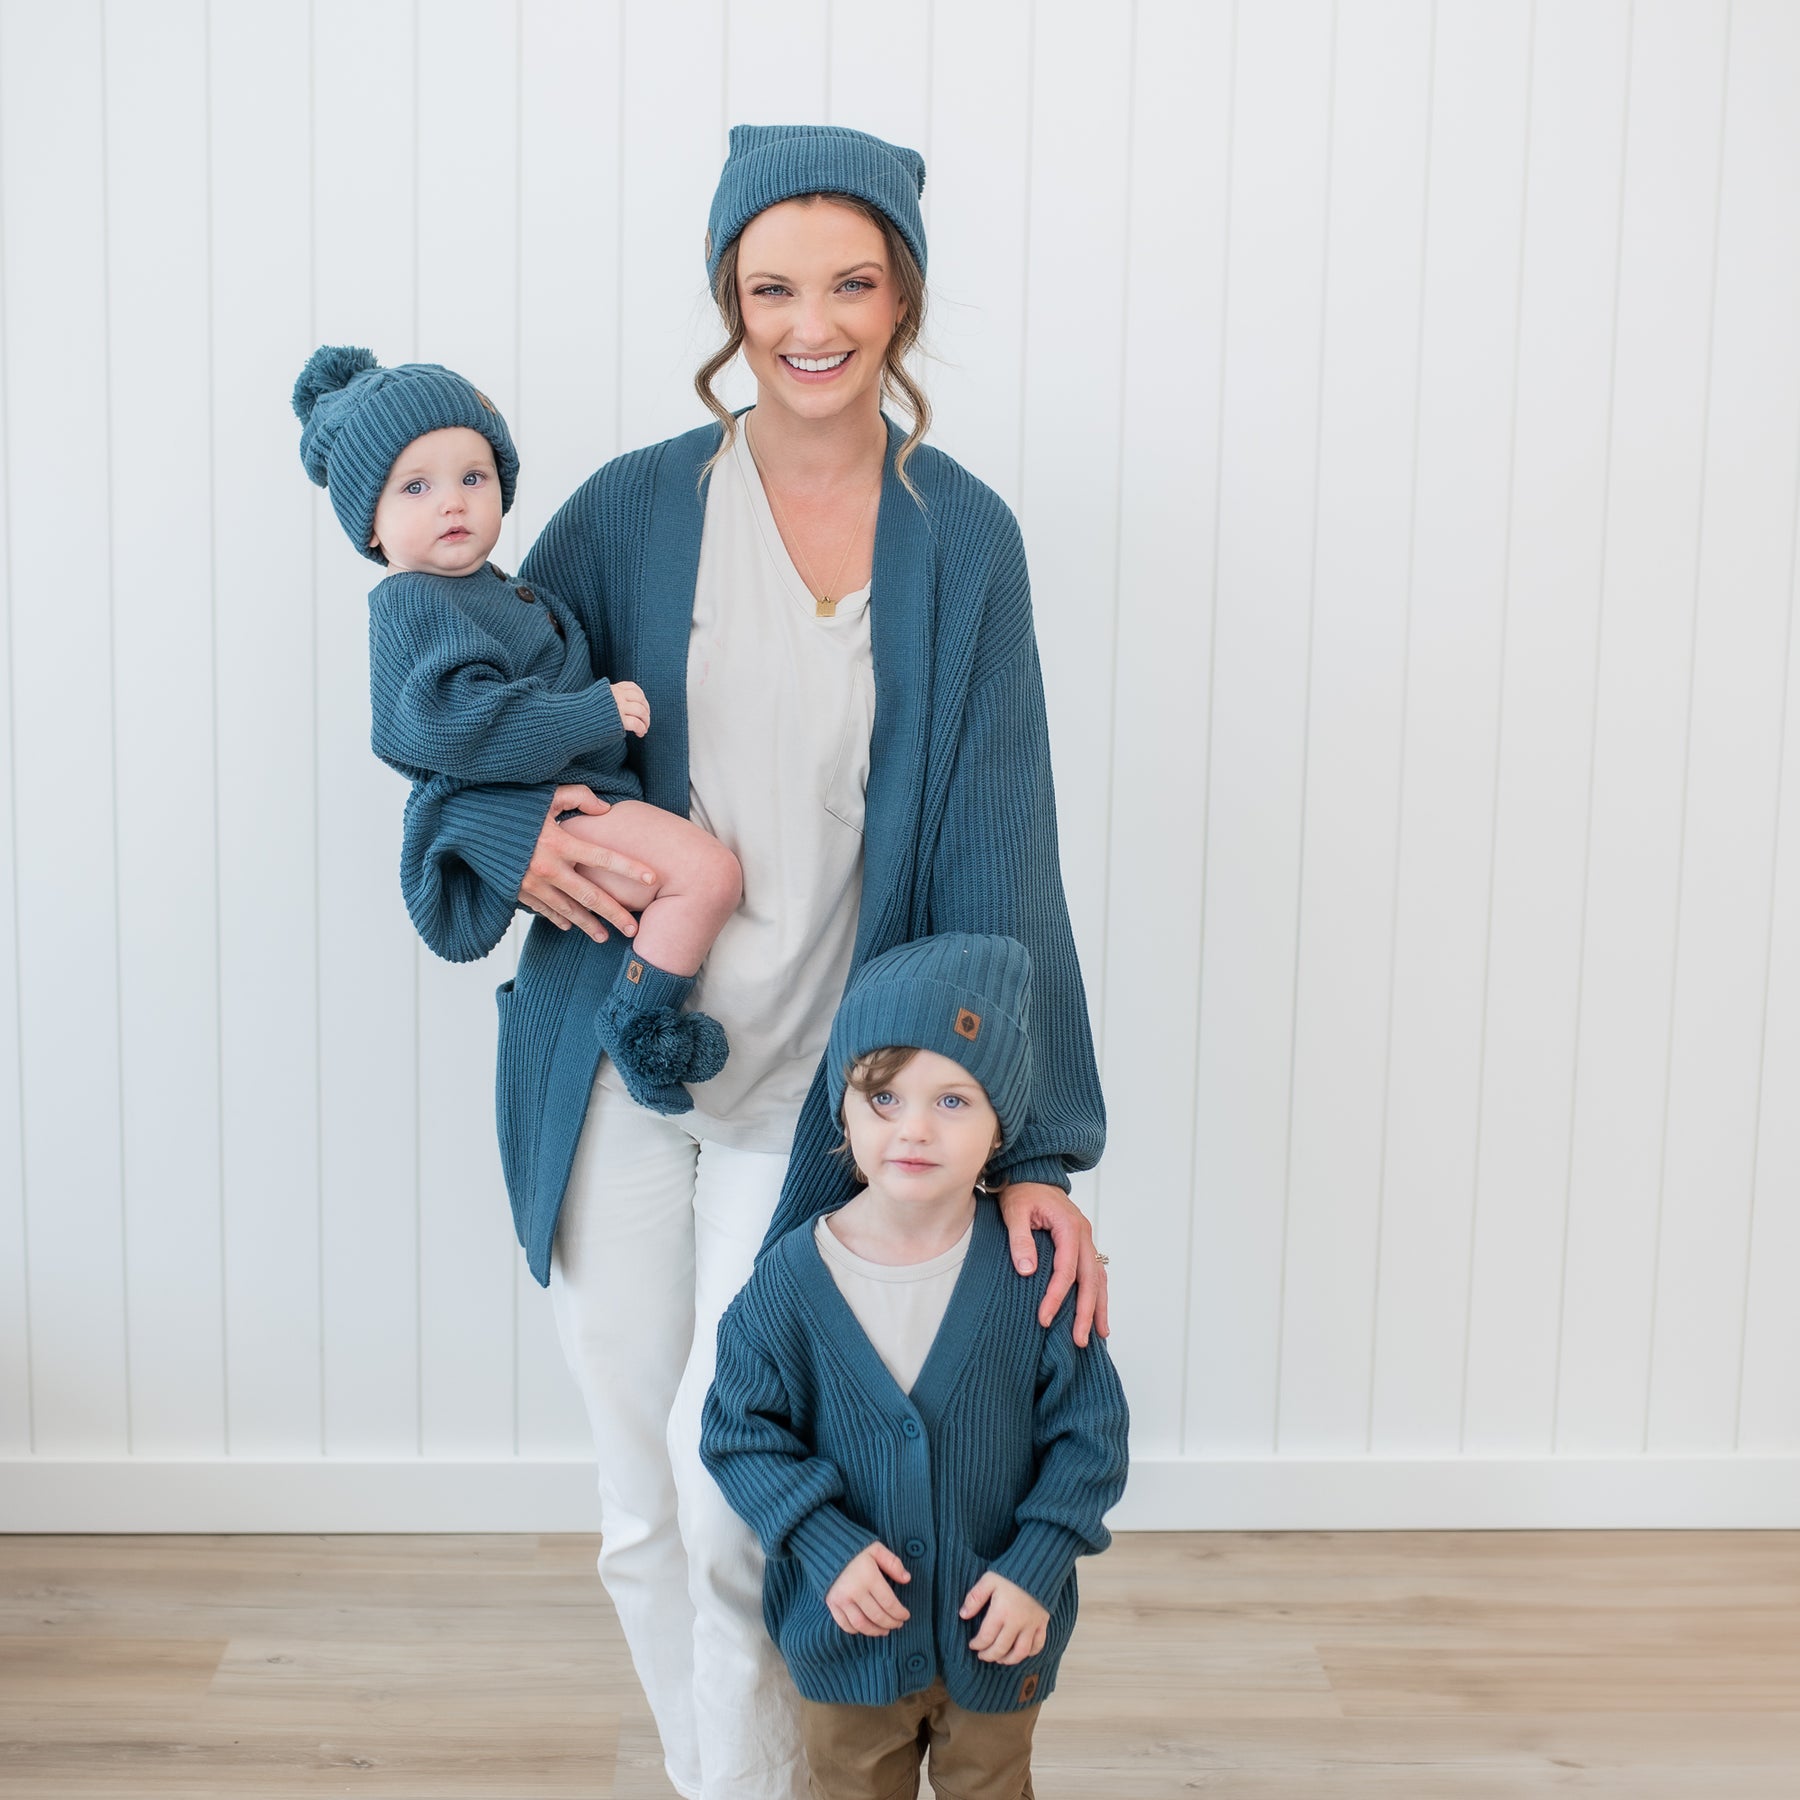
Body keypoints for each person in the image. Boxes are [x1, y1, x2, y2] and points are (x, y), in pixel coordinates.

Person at [397, 123, 1112, 1800]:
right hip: (614, 1079)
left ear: (902, 299)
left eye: (852, 282)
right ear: (730, 293)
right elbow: (459, 745)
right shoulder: (634, 512)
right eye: (773, 283)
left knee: (744, 1503)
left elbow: (1010, 854)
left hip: (825, 1111)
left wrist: (1040, 1151)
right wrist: (512, 846)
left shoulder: (967, 544)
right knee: (644, 1511)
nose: (812, 321)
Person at [701, 934, 1129, 1800]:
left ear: (1002, 1124)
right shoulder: (789, 1282)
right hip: (848, 1638)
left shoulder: (1032, 1280)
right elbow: (740, 1436)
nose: (915, 1129)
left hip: (1001, 1633)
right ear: (844, 1111)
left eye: (954, 1100)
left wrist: (1035, 1569)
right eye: (885, 1095)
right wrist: (825, 1545)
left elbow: (1092, 1441)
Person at [291, 348, 742, 1113]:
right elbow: (456, 726)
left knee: (686, 886)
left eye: (474, 477)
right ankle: (637, 1026)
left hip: (584, 795)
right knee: (709, 877)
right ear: (369, 525)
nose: (453, 503)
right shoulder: (415, 604)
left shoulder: (489, 587)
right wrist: (590, 713)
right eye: (416, 487)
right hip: (564, 806)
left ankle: (644, 1007)